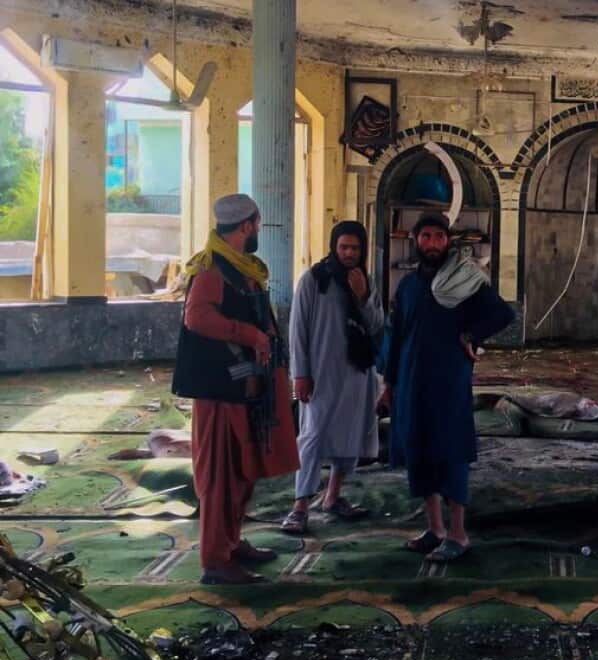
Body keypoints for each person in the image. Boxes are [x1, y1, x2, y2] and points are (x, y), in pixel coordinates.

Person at [172, 193, 299, 584]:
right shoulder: (212, 270)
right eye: (257, 224)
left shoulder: (240, 268)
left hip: (245, 388)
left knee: (242, 472)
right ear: (246, 225)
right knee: (222, 476)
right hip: (220, 393)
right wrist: (249, 335)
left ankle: (232, 542)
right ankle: (216, 560)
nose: (259, 230)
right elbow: (197, 317)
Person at [381, 212, 514, 563]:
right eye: (426, 236)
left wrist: (471, 336)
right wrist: (388, 381)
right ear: (416, 241)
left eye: (439, 237)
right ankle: (435, 528)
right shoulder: (408, 287)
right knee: (419, 449)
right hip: (411, 380)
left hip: (448, 381)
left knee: (451, 451)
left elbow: (503, 315)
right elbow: (396, 336)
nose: (432, 243)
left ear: (448, 241)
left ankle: (458, 533)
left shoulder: (463, 281)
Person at [282, 221, 384, 535]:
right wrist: (300, 374)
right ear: (334, 247)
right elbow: (297, 330)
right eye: (344, 247)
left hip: (356, 373)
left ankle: (333, 496)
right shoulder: (315, 280)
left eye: (355, 248)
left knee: (349, 433)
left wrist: (362, 296)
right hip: (321, 373)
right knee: (312, 434)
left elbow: (377, 326)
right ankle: (300, 505)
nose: (349, 254)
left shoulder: (365, 281)